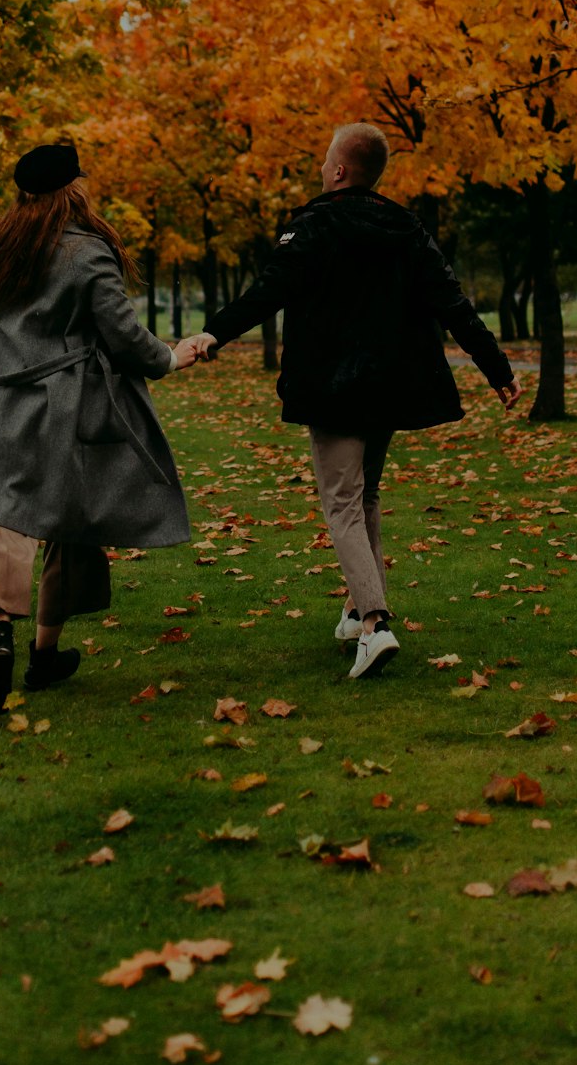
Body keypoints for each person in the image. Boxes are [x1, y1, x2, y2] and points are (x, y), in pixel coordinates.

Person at [180, 123, 522, 680]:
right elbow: (452, 303)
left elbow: (269, 290)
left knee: (341, 501)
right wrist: (498, 369)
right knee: (364, 497)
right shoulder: (407, 227)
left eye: (324, 158)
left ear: (339, 169)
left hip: (335, 385)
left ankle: (375, 624)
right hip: (391, 386)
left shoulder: (314, 225)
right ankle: (354, 609)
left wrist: (213, 333)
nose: (320, 165)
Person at [0, 141, 198, 711]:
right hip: (66, 409)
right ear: (74, 188)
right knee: (68, 524)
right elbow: (122, 334)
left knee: (7, 517)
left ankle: (2, 631)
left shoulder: (1, 241)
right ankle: (43, 654)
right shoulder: (89, 253)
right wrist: (171, 357)